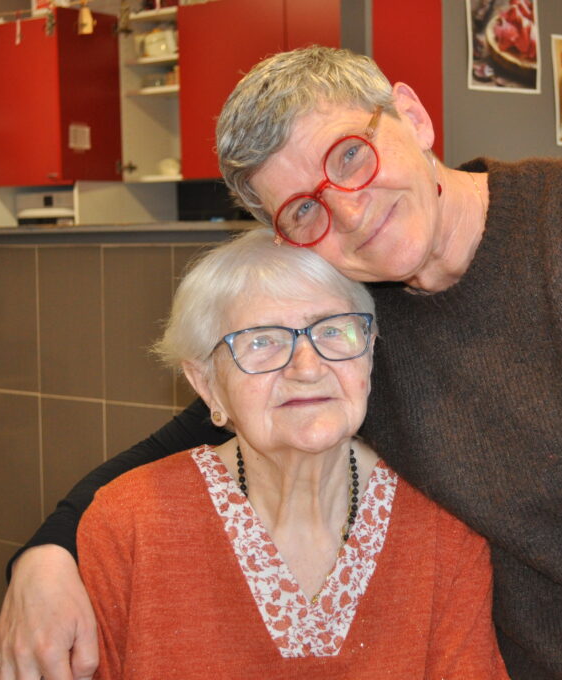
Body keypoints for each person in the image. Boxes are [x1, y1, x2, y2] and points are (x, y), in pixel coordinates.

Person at [0, 46, 562, 680]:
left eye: (349, 156)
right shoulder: (348, 330)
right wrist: (46, 553)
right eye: (304, 209)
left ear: (411, 117)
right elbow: (187, 436)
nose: (349, 212)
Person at [75, 228, 508, 679]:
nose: (307, 367)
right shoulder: (129, 523)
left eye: (333, 330)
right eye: (262, 341)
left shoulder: (443, 532)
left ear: (369, 354)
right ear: (207, 385)